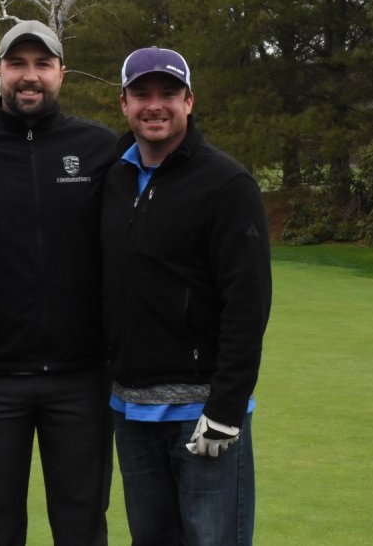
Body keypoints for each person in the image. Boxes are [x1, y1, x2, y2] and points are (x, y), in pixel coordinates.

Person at [0, 20, 115, 546]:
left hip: (82, 379)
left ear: (61, 73)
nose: (29, 76)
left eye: (42, 64)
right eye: (17, 64)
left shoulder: (100, 149)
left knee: (82, 531)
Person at [100, 47, 272, 546]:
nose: (155, 105)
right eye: (142, 94)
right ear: (124, 104)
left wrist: (226, 409)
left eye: (169, 94)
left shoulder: (226, 183)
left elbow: (248, 303)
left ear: (189, 101)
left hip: (202, 413)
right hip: (131, 411)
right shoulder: (113, 177)